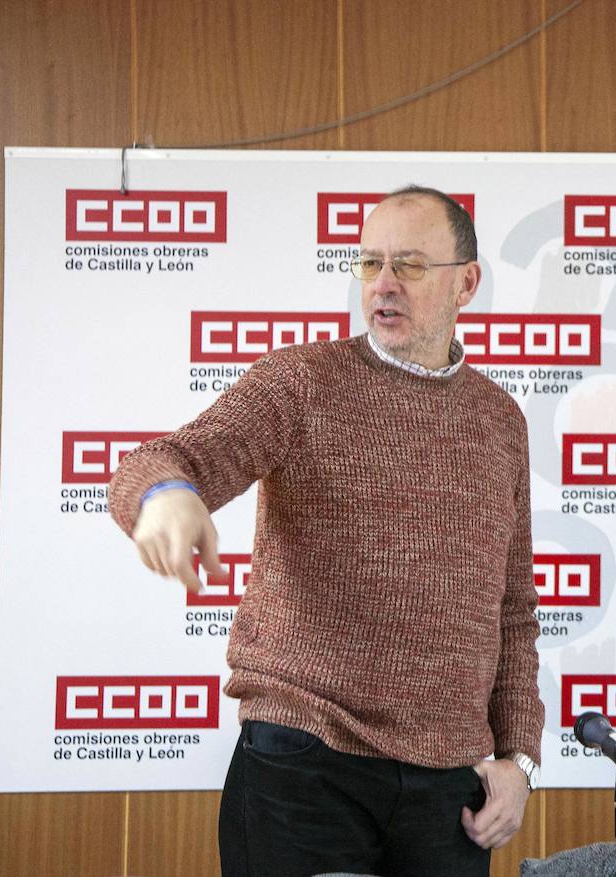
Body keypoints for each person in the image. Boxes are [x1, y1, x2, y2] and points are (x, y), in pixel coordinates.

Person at [109, 186, 543, 877]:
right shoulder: (302, 382)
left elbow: (513, 610)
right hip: (305, 762)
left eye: (409, 264)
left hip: (449, 786)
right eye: (369, 263)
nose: (383, 284)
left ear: (467, 283)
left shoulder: (501, 420)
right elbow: (167, 459)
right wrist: (165, 497)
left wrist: (519, 757)